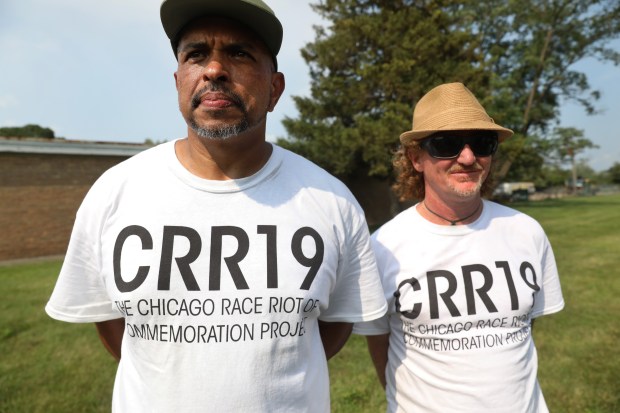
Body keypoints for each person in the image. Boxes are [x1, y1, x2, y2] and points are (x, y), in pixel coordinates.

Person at [45, 0, 387, 411]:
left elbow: (333, 329)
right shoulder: (115, 192)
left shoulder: (331, 202)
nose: (214, 70)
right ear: (178, 82)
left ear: (275, 89)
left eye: (240, 53)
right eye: (196, 54)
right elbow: (114, 326)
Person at [353, 82, 564, 412]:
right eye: (446, 144)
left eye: (482, 143)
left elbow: (521, 328)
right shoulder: (381, 247)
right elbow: (379, 341)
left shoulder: (527, 232)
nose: (467, 157)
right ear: (416, 158)